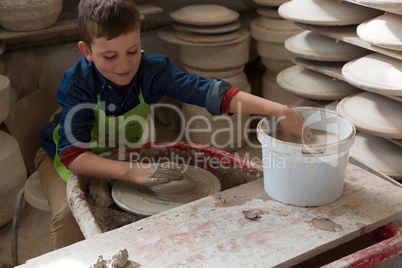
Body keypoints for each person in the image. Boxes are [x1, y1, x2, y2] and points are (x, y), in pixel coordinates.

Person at [35, 0, 308, 250]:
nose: (124, 65)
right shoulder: (79, 83)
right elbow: (74, 156)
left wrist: (278, 110)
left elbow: (209, 92)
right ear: (87, 51)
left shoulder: (152, 71)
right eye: (110, 56)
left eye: (132, 50)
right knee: (71, 215)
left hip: (123, 152)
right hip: (66, 157)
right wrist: (133, 171)